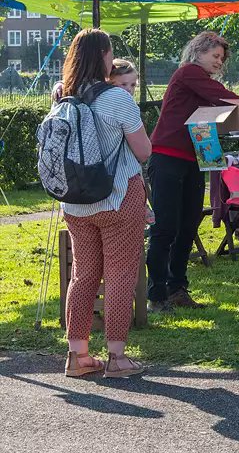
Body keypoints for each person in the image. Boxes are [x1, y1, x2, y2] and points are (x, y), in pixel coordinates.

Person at [59, 29, 151, 378]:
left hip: (76, 202)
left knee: (82, 275)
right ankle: (116, 357)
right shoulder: (117, 98)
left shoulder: (60, 95)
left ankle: (77, 357)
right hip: (117, 197)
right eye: (110, 53)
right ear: (103, 56)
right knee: (120, 274)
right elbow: (143, 151)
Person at [147, 32, 238, 312]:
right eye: (215, 56)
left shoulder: (201, 80)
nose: (219, 62)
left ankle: (177, 288)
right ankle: (157, 294)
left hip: (192, 159)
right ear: (198, 51)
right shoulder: (189, 72)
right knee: (165, 227)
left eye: (221, 58)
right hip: (167, 157)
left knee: (187, 225)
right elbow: (223, 98)